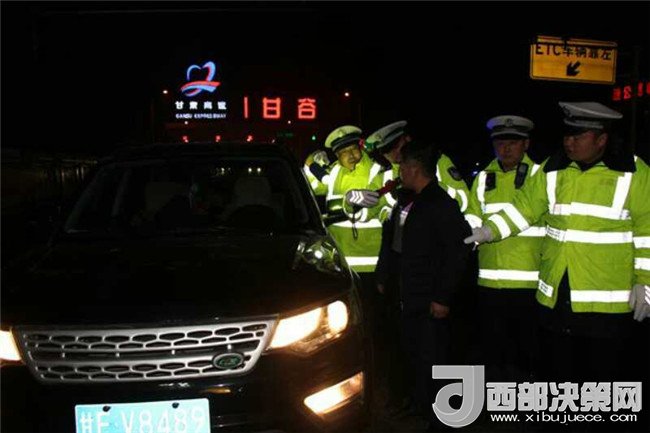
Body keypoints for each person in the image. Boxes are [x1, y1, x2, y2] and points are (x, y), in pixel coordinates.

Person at [465, 102, 650, 388]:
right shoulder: (553, 168)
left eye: (578, 136)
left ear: (601, 139)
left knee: (600, 379)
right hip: (556, 296)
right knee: (557, 375)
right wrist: (489, 231)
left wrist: (645, 283)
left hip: (607, 304)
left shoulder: (634, 171)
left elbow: (647, 231)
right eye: (567, 135)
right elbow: (524, 209)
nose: (569, 142)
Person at [379, 139, 471, 428]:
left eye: (402, 166)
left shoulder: (440, 204)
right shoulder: (406, 199)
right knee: (411, 355)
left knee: (434, 359)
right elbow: (393, 244)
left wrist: (443, 297)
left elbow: (457, 253)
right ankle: (416, 405)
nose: (399, 172)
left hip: (428, 298)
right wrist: (384, 277)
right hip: (406, 294)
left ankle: (442, 416)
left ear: (414, 168)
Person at [464, 115, 544, 382]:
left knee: (527, 351)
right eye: (500, 143)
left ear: (526, 144)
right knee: (493, 350)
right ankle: (497, 395)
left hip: (529, 281)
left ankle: (526, 396)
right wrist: (471, 231)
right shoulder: (483, 178)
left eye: (513, 142)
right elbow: (473, 214)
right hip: (490, 280)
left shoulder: (540, 176)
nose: (505, 148)